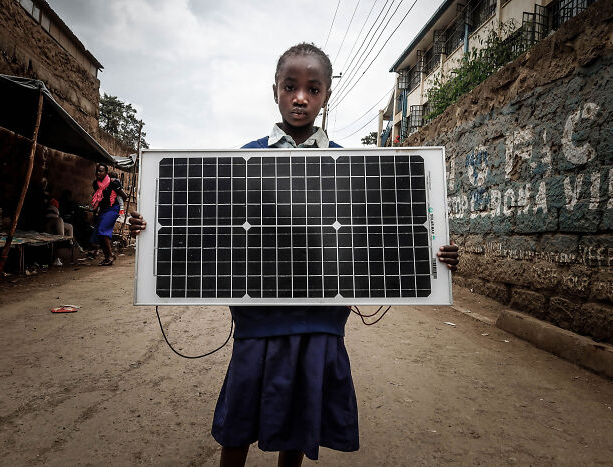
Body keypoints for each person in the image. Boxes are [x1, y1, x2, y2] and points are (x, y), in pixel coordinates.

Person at [129, 43, 459, 466]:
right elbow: (201, 225)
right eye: (290, 86)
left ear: (325, 95)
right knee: (240, 421)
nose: (300, 97)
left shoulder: (350, 165)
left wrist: (436, 256)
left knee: (300, 424)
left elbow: (387, 232)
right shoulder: (245, 159)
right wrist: (149, 231)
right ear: (275, 91)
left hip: (320, 317)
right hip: (258, 316)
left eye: (313, 88)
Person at [91, 163, 128, 266]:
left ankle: (110, 256)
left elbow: (124, 196)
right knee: (99, 233)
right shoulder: (95, 184)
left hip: (113, 209)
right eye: (97, 170)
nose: (98, 173)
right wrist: (96, 211)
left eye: (101, 171)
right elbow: (98, 198)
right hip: (103, 210)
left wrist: (115, 200)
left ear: (106, 173)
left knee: (102, 230)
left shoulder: (113, 183)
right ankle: (108, 257)